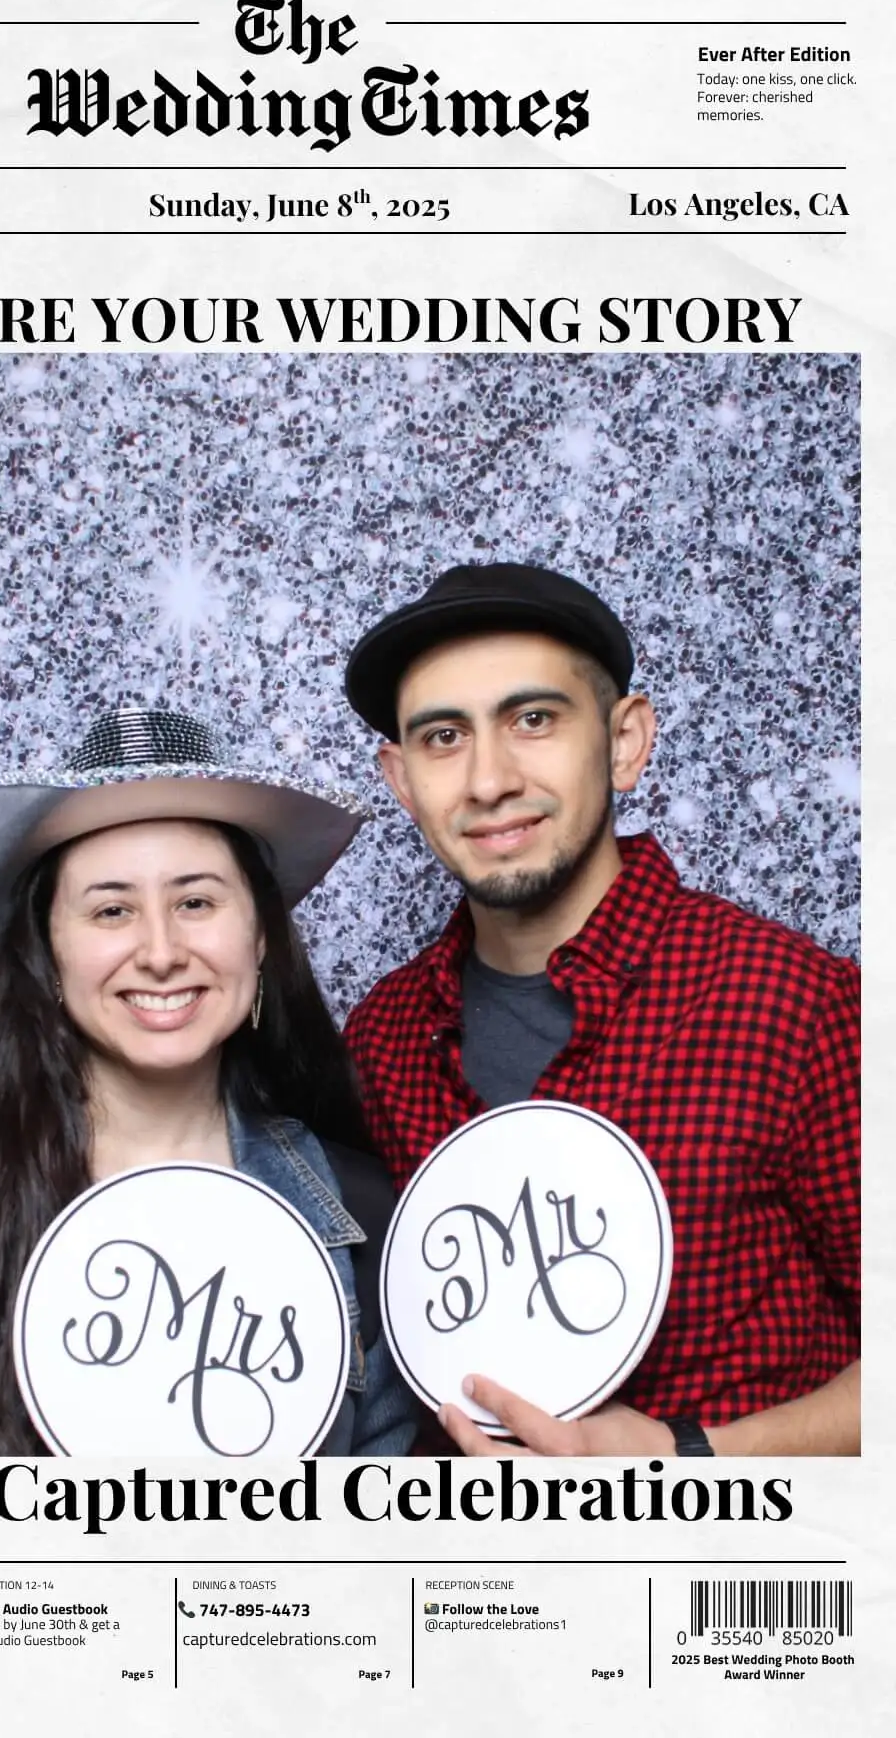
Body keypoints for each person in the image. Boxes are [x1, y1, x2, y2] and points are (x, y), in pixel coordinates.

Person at [0, 706, 416, 1458]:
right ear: (48, 947)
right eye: (111, 910)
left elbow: (372, 1541)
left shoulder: (350, 1206)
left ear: (259, 934)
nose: (161, 951)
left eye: (196, 902)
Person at [342, 562, 860, 1458]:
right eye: (442, 738)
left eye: (533, 720)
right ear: (400, 777)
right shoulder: (382, 1039)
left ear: (624, 741)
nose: (489, 779)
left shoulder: (793, 1002)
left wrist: (684, 1459)